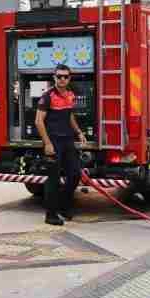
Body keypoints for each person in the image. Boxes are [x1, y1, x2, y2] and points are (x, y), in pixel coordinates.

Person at [35, 64, 87, 226]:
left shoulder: (70, 94)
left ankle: (64, 206)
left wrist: (79, 132)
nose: (62, 79)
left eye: (65, 76)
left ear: (69, 78)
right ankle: (50, 215)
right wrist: (48, 143)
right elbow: (38, 121)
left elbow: (70, 115)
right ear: (54, 77)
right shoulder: (47, 96)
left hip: (68, 141)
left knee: (75, 175)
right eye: (59, 76)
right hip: (54, 141)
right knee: (54, 179)